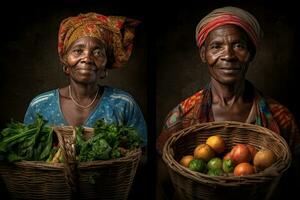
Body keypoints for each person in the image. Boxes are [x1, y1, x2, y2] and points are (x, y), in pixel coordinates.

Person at [156, 6, 300, 199]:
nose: (228, 56)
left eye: (239, 46)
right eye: (216, 46)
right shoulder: (181, 116)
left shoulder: (281, 118)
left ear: (251, 53)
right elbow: (163, 186)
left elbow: (292, 184)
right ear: (203, 54)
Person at [23, 12, 147, 145]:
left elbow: (142, 153)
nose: (87, 58)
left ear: (105, 68)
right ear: (65, 64)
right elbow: (25, 152)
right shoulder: (40, 106)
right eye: (78, 51)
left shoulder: (124, 104)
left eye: (97, 52)